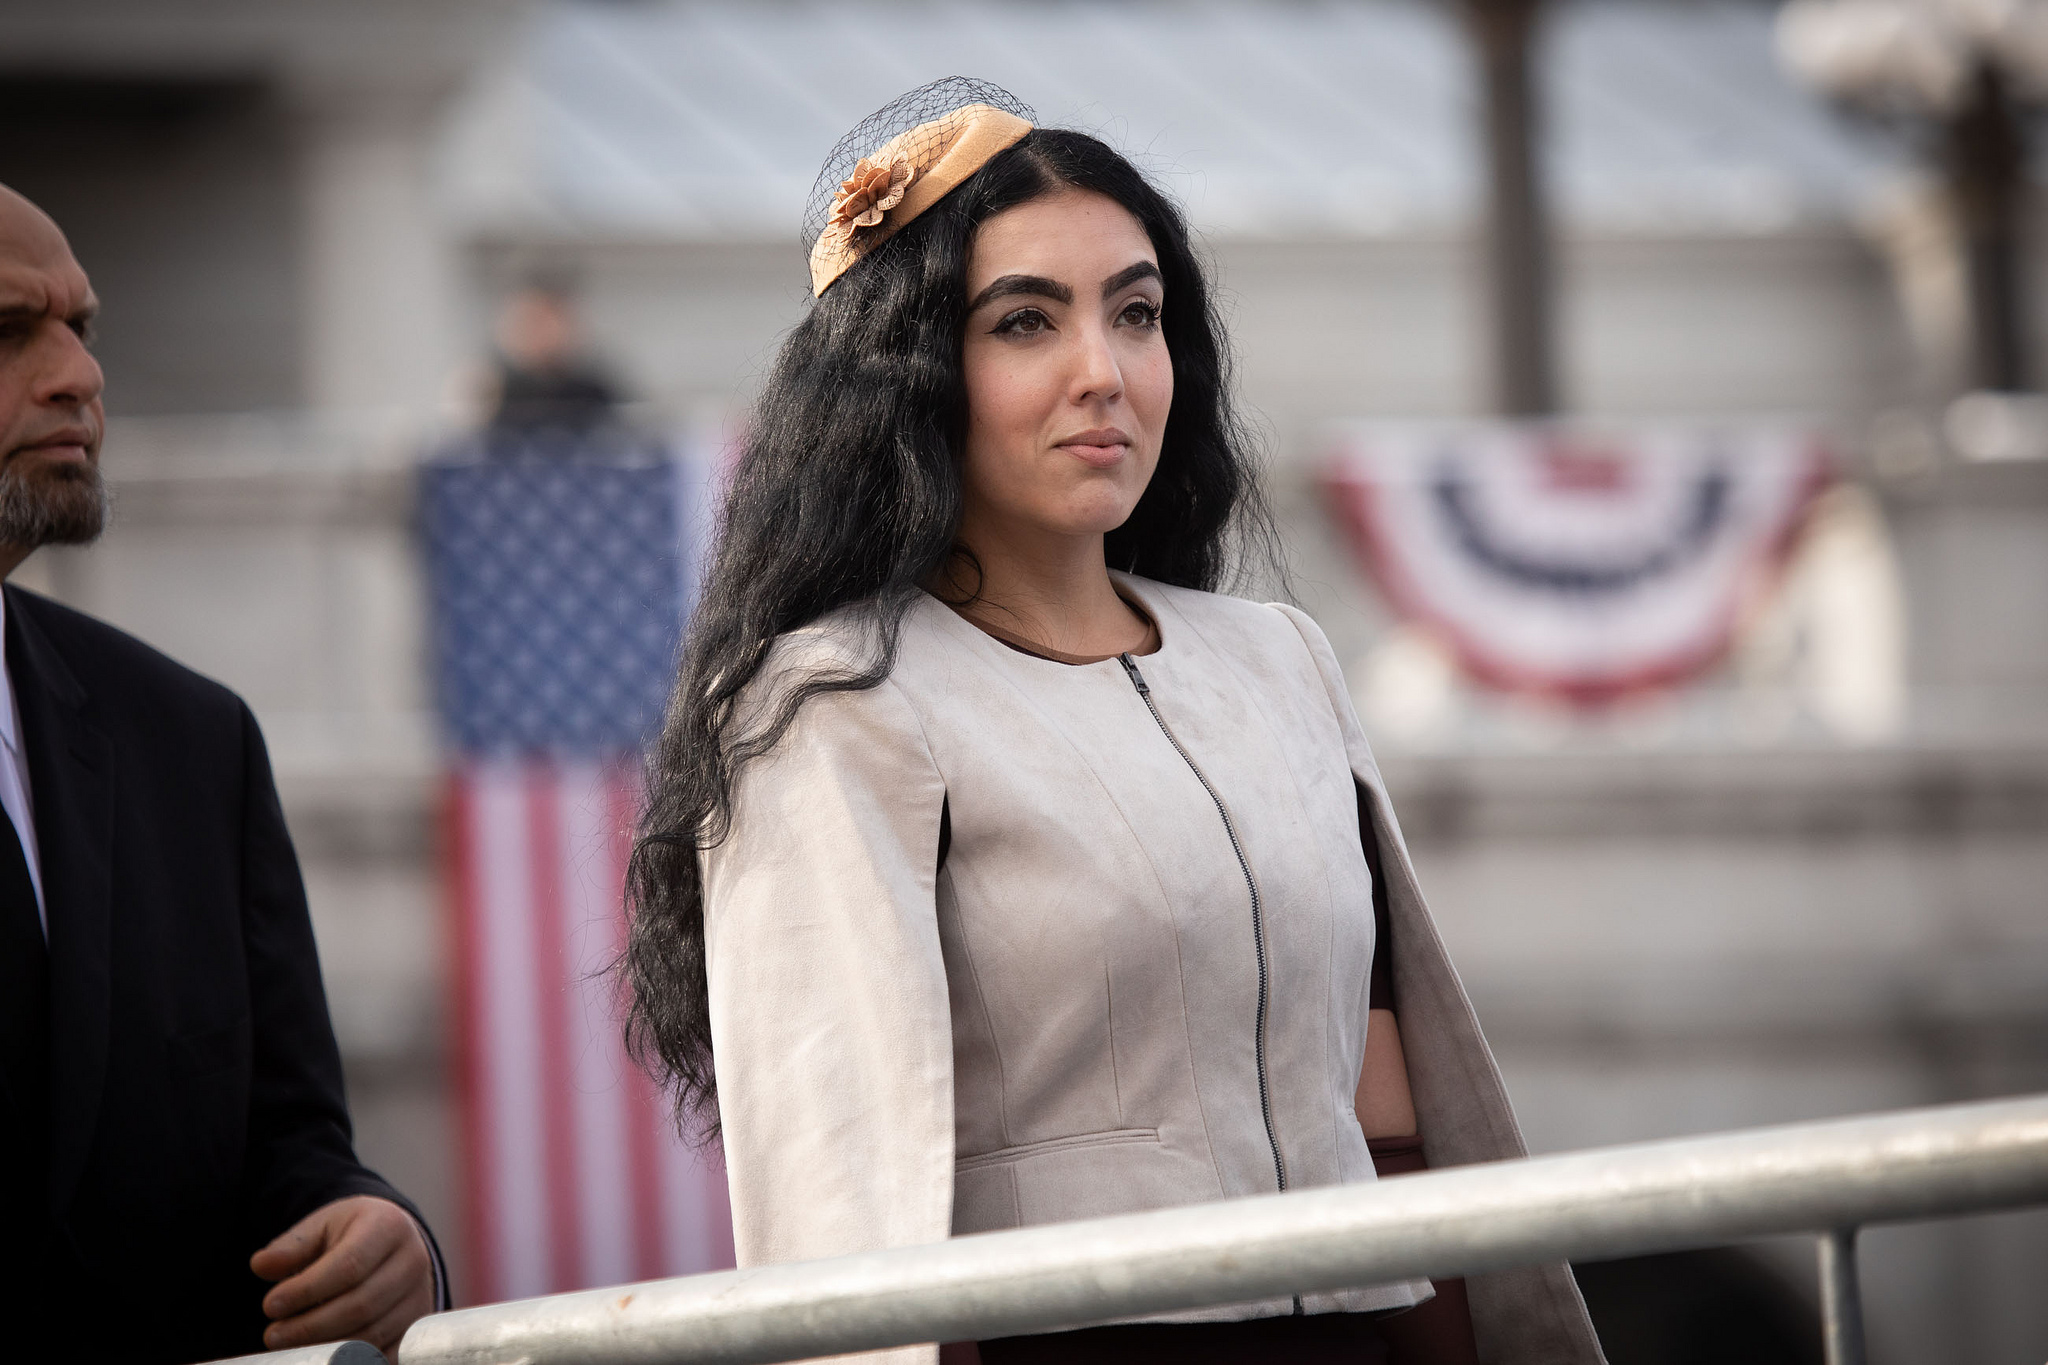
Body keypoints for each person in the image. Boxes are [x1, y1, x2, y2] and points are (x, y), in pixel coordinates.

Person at [625, 80, 1605, 1365]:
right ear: (910, 371)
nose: (1104, 372)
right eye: (1026, 322)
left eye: (1135, 314)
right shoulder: (833, 702)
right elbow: (844, 1197)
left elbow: (1389, 1110)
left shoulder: (1278, 660)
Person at [0, 182, 446, 1361]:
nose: (78, 379)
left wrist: (377, 1236)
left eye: (81, 330)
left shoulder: (192, 745)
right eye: (10, 330)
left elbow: (288, 1152)